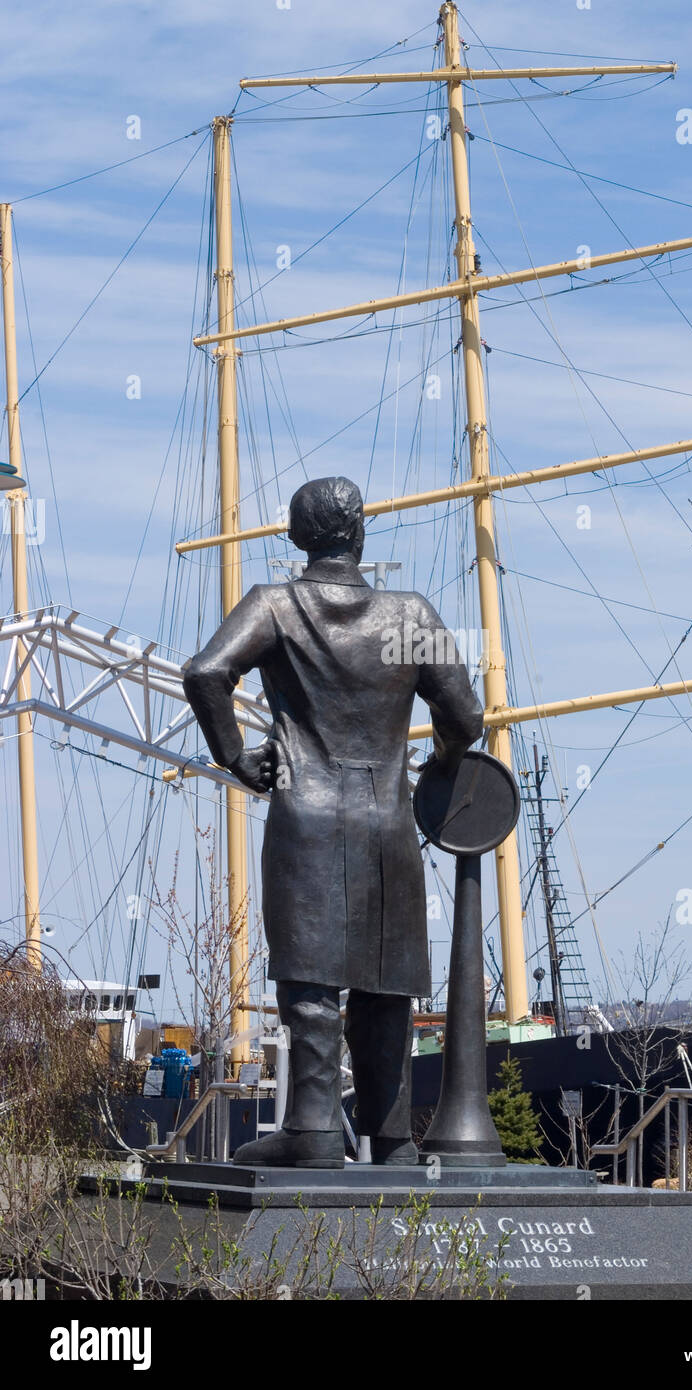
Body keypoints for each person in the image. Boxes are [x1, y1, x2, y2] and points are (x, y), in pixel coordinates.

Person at [183, 476, 483, 1167]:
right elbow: (463, 718)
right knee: (385, 987)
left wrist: (235, 755)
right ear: (360, 533)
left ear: (295, 537)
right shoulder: (410, 614)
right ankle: (394, 1140)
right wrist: (436, 765)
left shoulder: (274, 605)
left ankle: (314, 1130)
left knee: (311, 986)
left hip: (305, 816)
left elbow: (205, 674)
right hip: (386, 817)